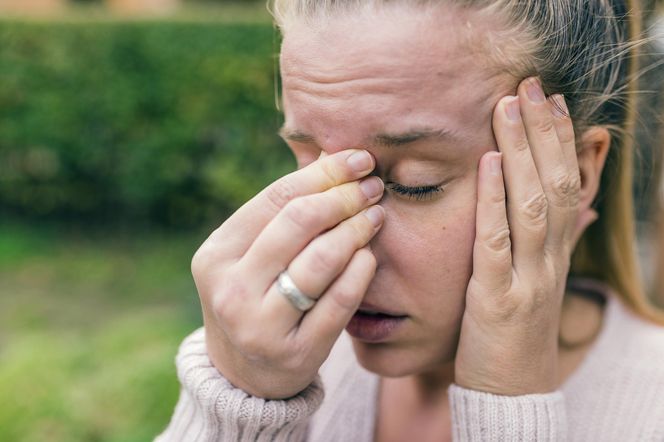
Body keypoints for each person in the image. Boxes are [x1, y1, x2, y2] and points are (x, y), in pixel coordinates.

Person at [156, 0, 664, 440]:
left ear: (571, 176)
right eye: (314, 169)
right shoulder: (271, 354)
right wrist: (240, 404)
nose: (342, 242)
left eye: (415, 183)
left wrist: (509, 405)